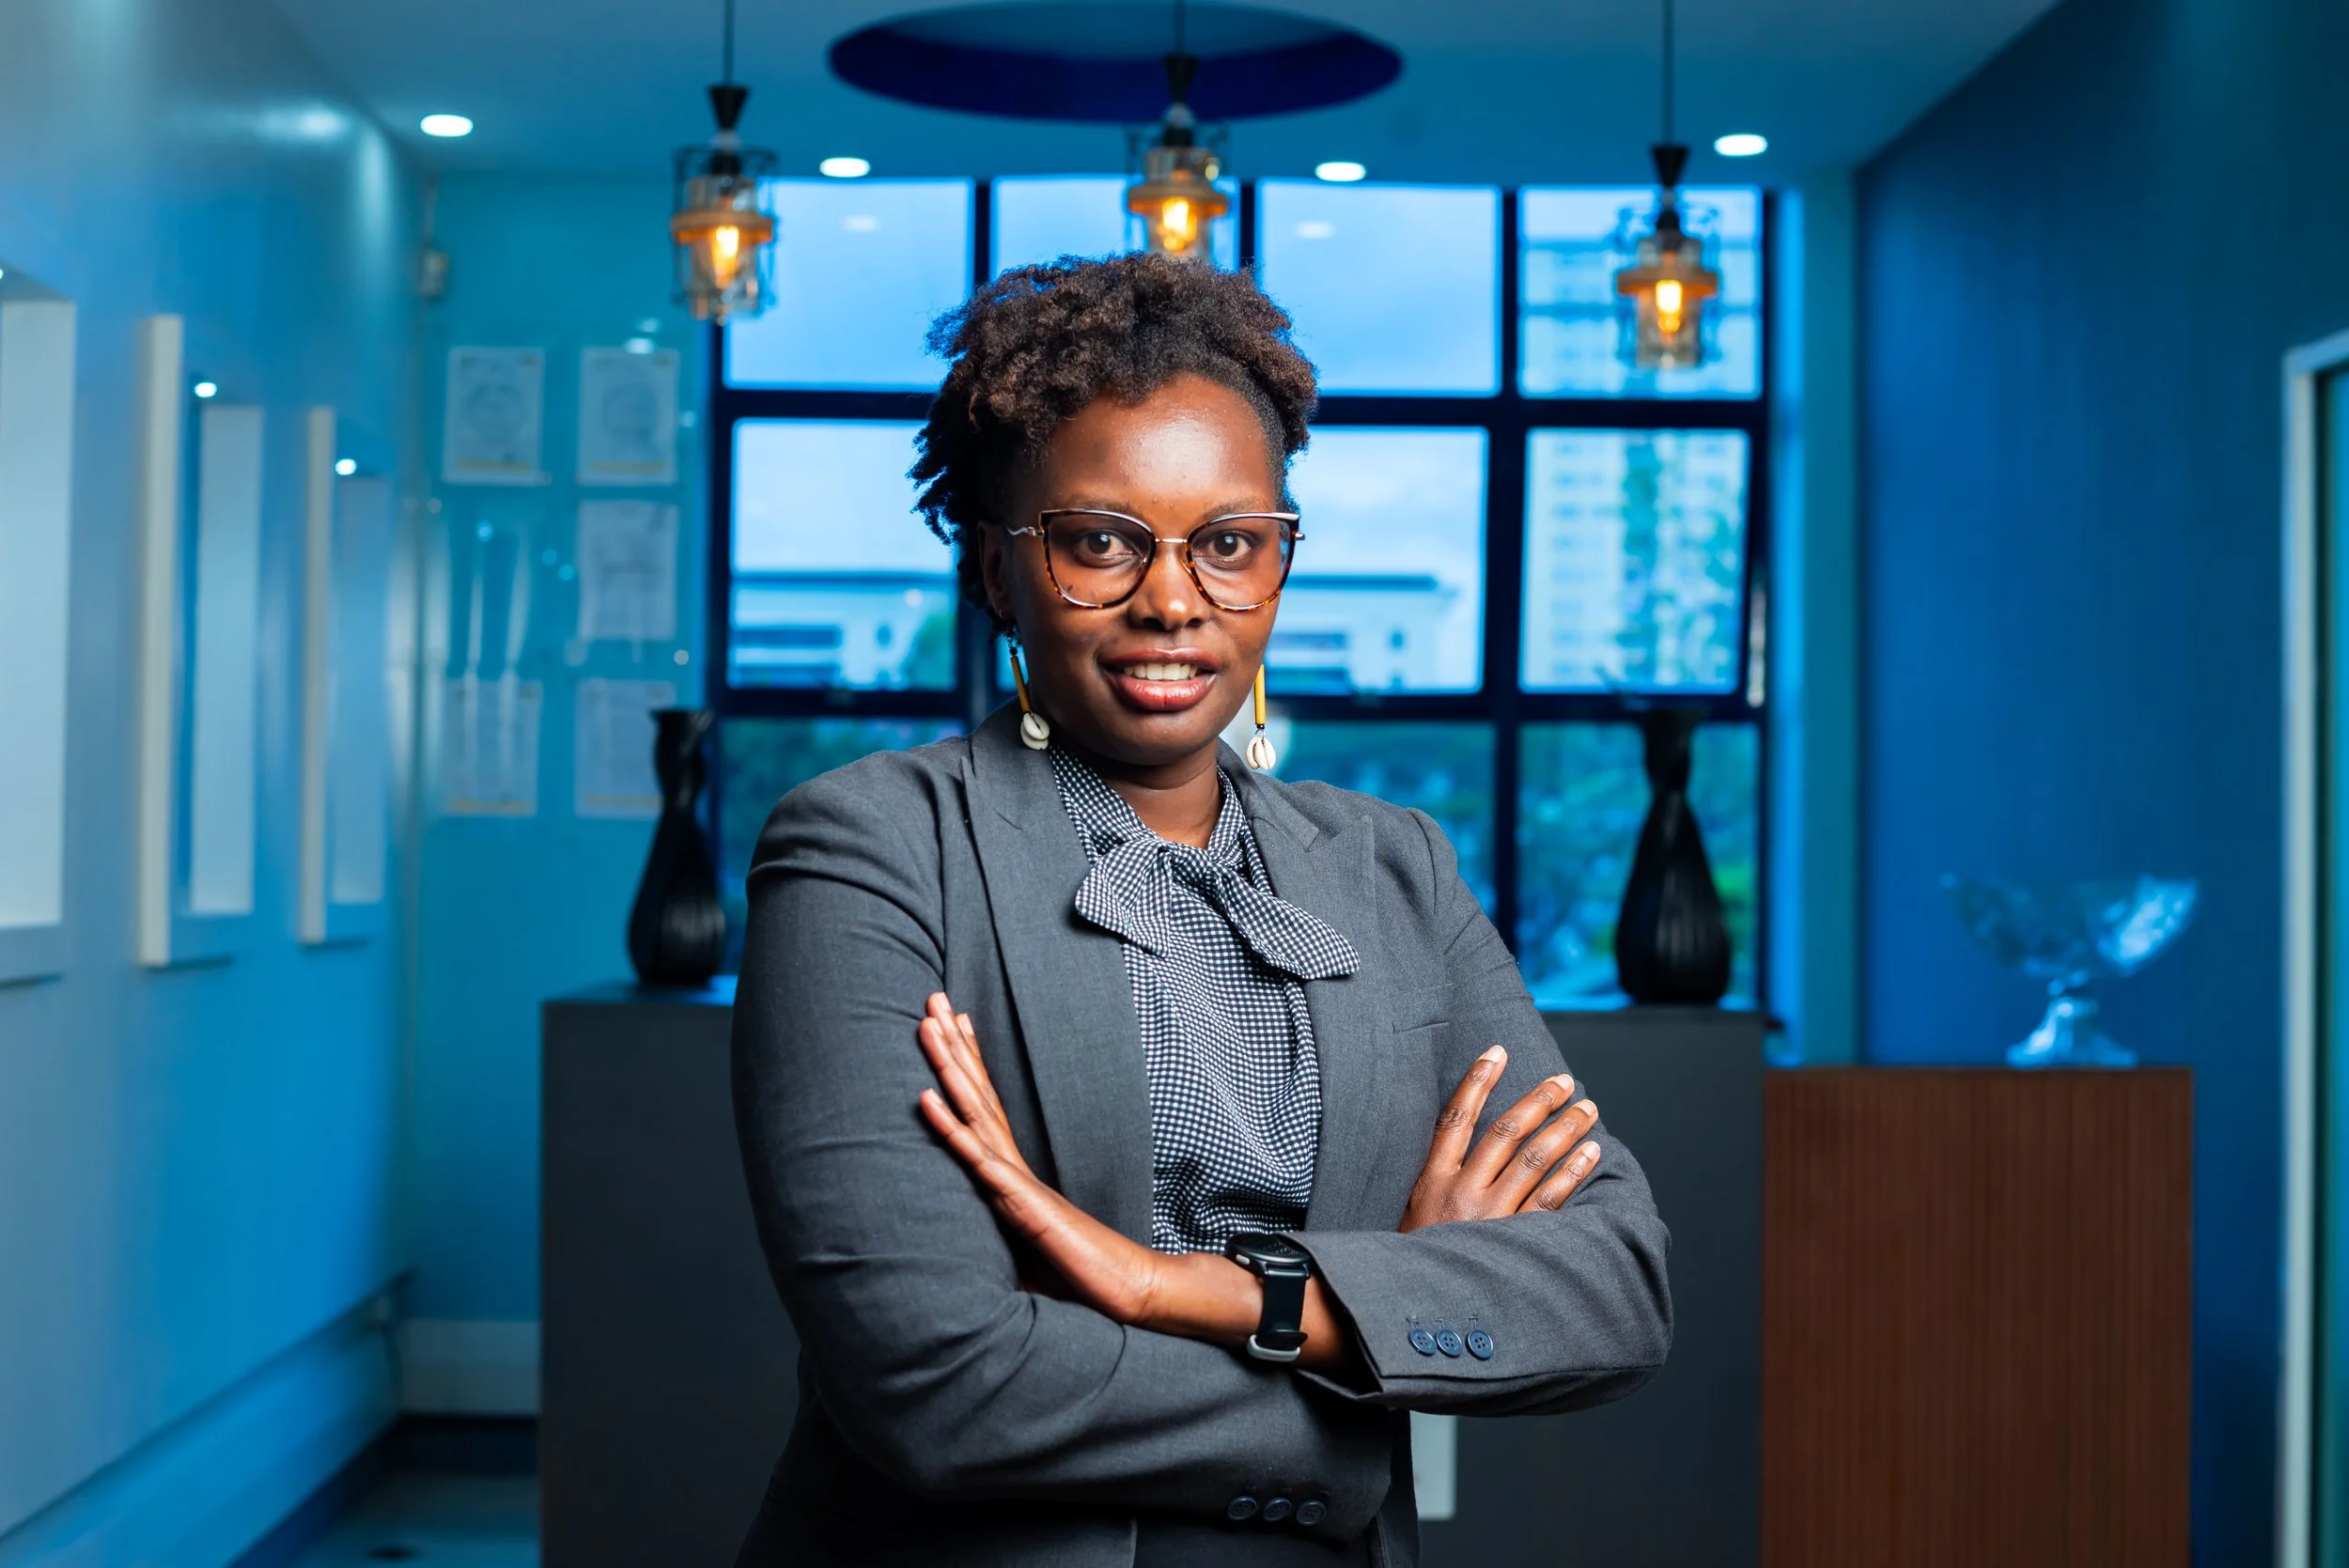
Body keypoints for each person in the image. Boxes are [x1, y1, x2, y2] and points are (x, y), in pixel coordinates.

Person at [730, 252, 1672, 1568]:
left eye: (1229, 544)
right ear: (999, 573)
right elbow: (935, 1382)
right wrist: (1362, 1377)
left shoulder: (1394, 866)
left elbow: (1615, 1286)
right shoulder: (873, 848)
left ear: (1277, 565)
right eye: (1100, 543)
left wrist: (1198, 1292)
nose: (1173, 600)